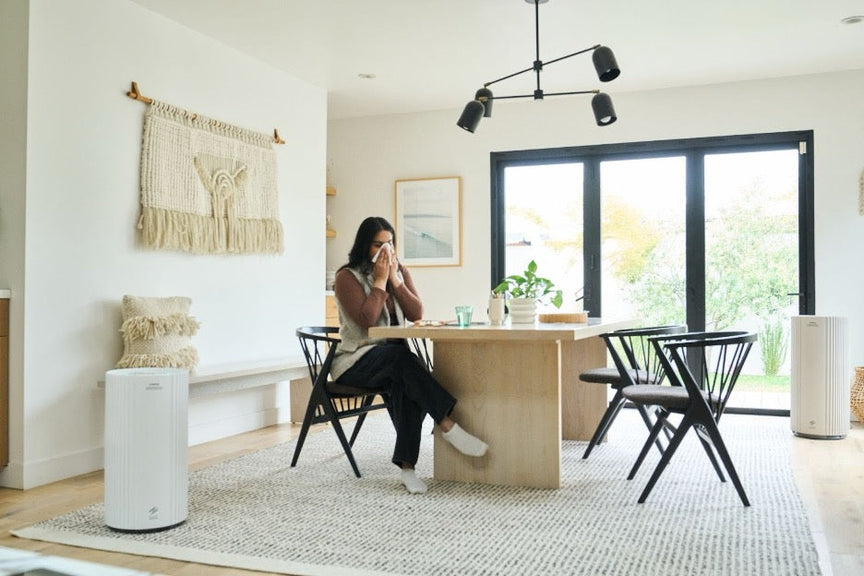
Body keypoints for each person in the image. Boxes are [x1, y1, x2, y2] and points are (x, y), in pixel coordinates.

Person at [330, 216, 488, 494]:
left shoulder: (398, 271)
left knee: (405, 377)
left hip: (392, 362)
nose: (384, 251)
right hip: (355, 361)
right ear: (364, 246)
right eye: (377, 245)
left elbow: (416, 314)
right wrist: (380, 281)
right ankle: (447, 424)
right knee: (403, 362)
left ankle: (408, 470)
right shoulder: (346, 277)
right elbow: (367, 320)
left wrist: (395, 280)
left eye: (389, 244)